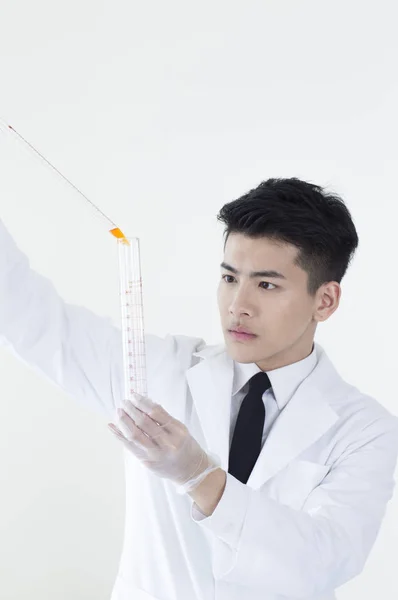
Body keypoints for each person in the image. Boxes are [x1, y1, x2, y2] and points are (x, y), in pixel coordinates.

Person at [1, 177, 397, 600]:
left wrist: (200, 477)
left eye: (266, 285)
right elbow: (32, 321)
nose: (237, 305)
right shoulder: (157, 371)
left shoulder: (366, 429)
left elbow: (328, 560)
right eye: (229, 277)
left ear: (325, 300)